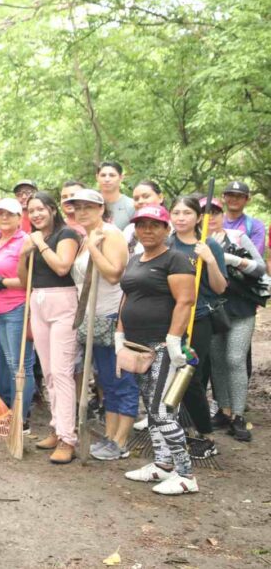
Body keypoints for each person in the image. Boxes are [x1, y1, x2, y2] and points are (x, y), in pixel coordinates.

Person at [119, 204, 198, 495]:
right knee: (151, 409)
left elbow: (185, 302)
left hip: (163, 344)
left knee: (162, 410)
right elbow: (126, 298)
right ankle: (163, 465)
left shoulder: (175, 259)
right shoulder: (134, 260)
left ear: (167, 229)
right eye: (141, 225)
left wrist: (174, 339)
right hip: (136, 344)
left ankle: (186, 474)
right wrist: (119, 333)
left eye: (154, 225)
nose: (147, 230)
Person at [66, 189, 132, 461]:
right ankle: (110, 435)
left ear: (101, 208)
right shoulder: (85, 237)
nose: (81, 212)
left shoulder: (110, 234)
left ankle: (122, 440)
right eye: (77, 207)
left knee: (121, 380)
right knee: (106, 379)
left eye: (88, 207)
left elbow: (115, 274)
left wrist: (94, 246)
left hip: (112, 317)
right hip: (92, 319)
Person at [17, 193, 80, 463]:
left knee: (62, 371)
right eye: (31, 211)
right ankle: (57, 427)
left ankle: (68, 438)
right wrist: (23, 254)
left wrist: (40, 244)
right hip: (38, 300)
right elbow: (23, 281)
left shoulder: (66, 235)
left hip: (63, 301)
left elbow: (63, 267)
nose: (36, 214)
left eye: (41, 209)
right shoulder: (32, 239)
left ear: (53, 210)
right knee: (49, 372)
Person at [167, 195, 227, 460]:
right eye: (176, 212)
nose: (180, 218)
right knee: (165, 375)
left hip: (198, 318)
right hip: (167, 318)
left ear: (198, 218)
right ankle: (176, 428)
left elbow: (220, 287)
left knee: (189, 375)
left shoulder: (208, 245)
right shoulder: (166, 243)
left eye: (187, 213)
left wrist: (210, 260)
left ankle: (205, 434)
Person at [207, 197, 266, 441]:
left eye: (215, 212)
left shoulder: (238, 237)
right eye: (205, 213)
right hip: (211, 310)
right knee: (217, 361)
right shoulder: (195, 243)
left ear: (222, 214)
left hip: (241, 308)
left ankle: (239, 415)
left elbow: (260, 268)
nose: (211, 217)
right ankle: (224, 409)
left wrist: (233, 260)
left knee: (234, 358)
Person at [0, 197, 34, 422]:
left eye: (9, 214)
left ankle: (21, 418)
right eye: (0, 213)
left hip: (17, 307)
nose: (4, 218)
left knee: (19, 364)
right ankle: (13, 412)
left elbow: (29, 280)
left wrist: (2, 281)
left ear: (20, 218)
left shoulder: (25, 241)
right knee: (7, 363)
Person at [221, 180, 266, 256]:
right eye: (231, 195)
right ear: (223, 197)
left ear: (247, 199)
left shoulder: (256, 226)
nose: (234, 199)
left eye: (240, 196)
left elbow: (256, 256)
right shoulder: (212, 222)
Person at [123, 180, 166, 248]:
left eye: (146, 197)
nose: (140, 201)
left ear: (160, 197)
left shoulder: (175, 227)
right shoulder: (129, 230)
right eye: (136, 199)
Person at [97, 161, 136, 230]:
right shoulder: (90, 204)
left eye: (112, 175)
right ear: (97, 177)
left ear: (121, 177)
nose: (107, 179)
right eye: (103, 175)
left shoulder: (131, 206)